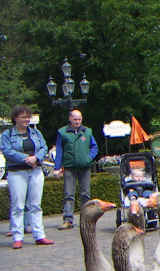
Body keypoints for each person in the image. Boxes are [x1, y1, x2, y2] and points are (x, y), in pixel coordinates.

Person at [1, 105, 54, 248]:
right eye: (23, 117)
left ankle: (39, 235)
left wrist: (36, 158)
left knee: (36, 205)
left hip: (36, 171)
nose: (26, 120)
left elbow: (43, 147)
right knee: (18, 205)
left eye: (28, 117)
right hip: (17, 172)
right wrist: (26, 158)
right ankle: (17, 236)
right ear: (15, 118)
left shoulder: (35, 133)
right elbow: (7, 151)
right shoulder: (7, 135)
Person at [53, 109, 98, 230]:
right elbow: (59, 150)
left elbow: (94, 146)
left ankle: (86, 219)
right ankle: (68, 220)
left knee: (85, 194)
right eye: (75, 119)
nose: (77, 122)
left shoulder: (87, 131)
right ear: (70, 119)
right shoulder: (62, 133)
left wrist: (89, 158)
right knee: (68, 195)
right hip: (69, 167)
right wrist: (57, 167)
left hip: (85, 167)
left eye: (79, 119)